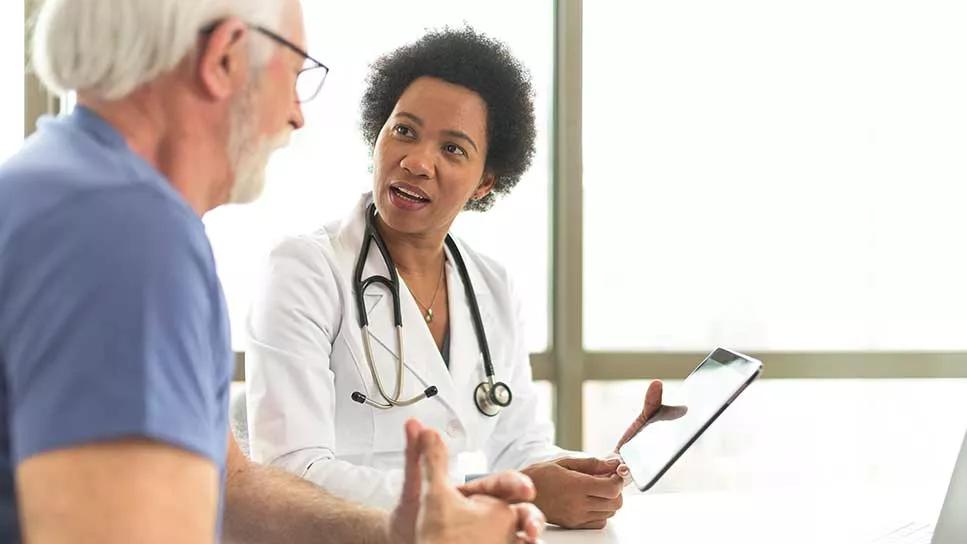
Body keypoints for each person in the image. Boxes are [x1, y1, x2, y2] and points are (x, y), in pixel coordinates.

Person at [0, 1, 544, 542]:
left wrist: (397, 531)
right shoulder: (126, 232)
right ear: (224, 58)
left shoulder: (67, 188)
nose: (296, 114)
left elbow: (231, 488)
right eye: (295, 71)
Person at [245, 27, 665, 530]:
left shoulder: (491, 285)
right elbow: (293, 470)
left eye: (453, 149)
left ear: (485, 182)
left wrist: (594, 472)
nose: (417, 161)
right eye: (404, 130)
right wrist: (501, 498)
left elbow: (520, 445)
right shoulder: (306, 269)